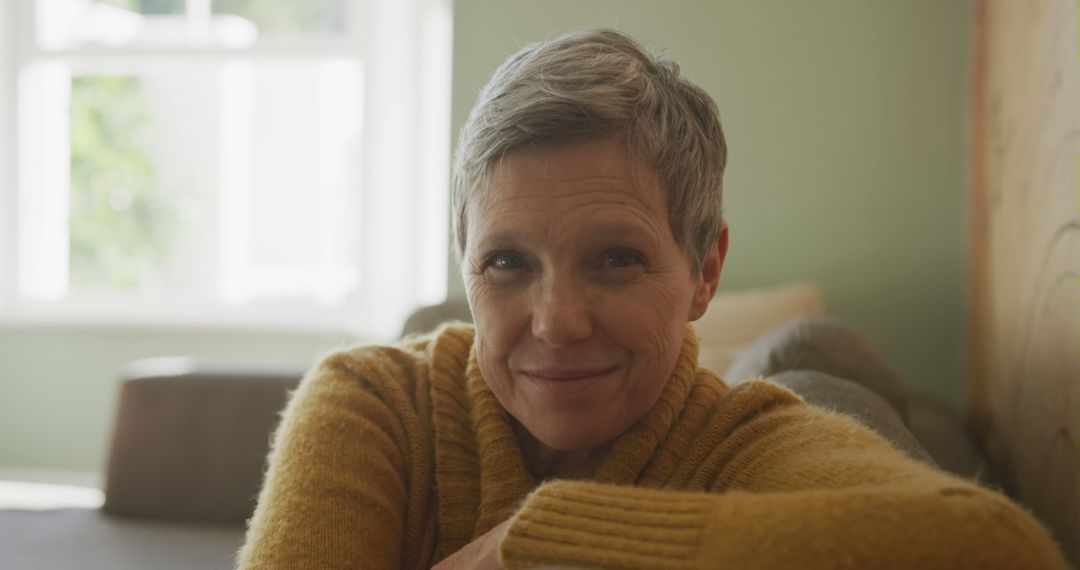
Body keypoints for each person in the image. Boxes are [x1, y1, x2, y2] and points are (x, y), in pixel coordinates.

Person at [235, 29, 1067, 569]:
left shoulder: (742, 446)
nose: (557, 320)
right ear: (463, 266)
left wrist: (539, 547)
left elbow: (1001, 550)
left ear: (704, 271)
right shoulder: (372, 404)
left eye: (617, 259)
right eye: (507, 262)